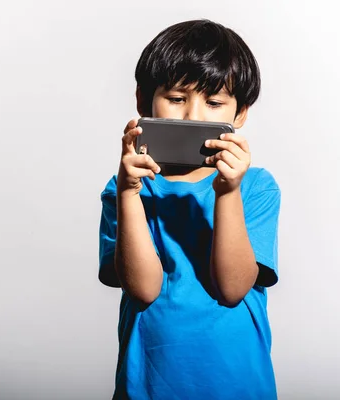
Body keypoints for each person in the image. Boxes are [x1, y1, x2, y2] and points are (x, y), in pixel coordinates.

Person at [98, 19, 281, 399]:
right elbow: (143, 289)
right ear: (143, 100)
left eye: (214, 103)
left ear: (240, 114)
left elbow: (232, 289)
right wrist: (130, 192)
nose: (194, 116)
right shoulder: (125, 187)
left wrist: (228, 191)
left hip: (238, 384)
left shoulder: (256, 187)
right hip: (147, 386)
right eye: (177, 98)